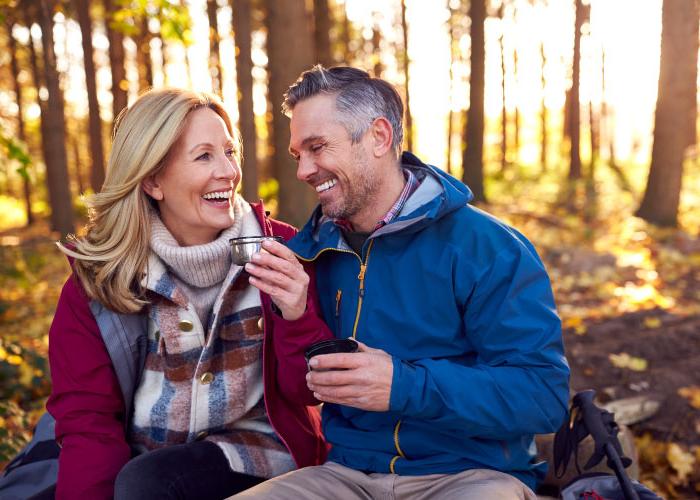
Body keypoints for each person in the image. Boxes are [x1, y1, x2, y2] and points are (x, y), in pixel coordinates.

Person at [232, 66, 570, 499]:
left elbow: (542, 396)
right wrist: (295, 314)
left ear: (378, 137)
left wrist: (405, 386)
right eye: (299, 154)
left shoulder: (486, 247)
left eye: (318, 148)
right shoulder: (313, 250)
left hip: (470, 476)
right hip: (345, 476)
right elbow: (301, 390)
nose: (304, 170)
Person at [46, 88, 332, 499]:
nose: (229, 172)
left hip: (259, 457)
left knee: (149, 483)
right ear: (152, 181)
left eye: (229, 152)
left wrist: (296, 314)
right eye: (204, 156)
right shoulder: (99, 280)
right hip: (140, 458)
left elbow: (307, 392)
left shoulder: (284, 251)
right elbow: (88, 421)